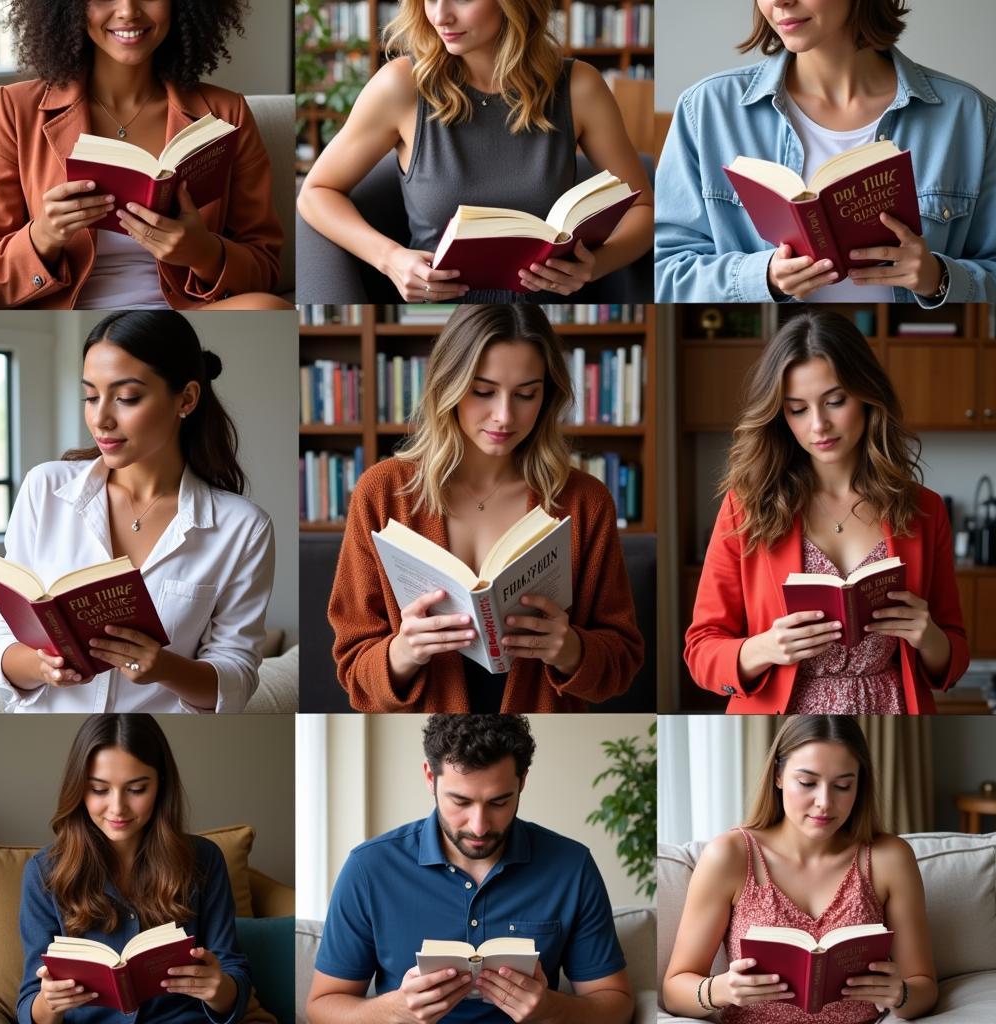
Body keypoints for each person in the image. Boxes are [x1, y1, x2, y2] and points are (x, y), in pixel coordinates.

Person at [327, 304, 644, 712]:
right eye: (483, 391)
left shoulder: (584, 501)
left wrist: (571, 650)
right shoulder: (384, 492)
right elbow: (353, 667)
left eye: (526, 394)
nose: (504, 416)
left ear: (548, 395)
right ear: (449, 387)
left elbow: (623, 659)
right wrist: (404, 652)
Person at [0, 311, 275, 713]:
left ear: (186, 399)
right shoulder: (45, 489)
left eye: (126, 398)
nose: (101, 418)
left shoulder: (241, 527)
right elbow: (3, 635)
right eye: (90, 396)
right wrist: (41, 666)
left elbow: (238, 676)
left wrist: (165, 668)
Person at [684, 310, 967, 713]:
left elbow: (954, 654)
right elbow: (701, 651)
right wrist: (763, 647)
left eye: (835, 401)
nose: (819, 425)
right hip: (781, 715)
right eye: (797, 409)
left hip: (891, 710)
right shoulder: (746, 505)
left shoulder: (924, 509)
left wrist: (930, 636)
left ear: (867, 397)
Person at [297, 0, 652, 301]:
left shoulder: (579, 87)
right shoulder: (400, 85)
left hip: (549, 308)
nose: (440, 16)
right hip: (435, 311)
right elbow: (315, 193)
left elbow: (643, 207)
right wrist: (389, 257)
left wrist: (596, 265)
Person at [655, 0, 996, 303]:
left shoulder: (971, 118)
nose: (780, 2)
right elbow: (664, 272)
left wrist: (939, 278)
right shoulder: (706, 110)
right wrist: (764, 277)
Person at [307, 714, 634, 1024]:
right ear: (429, 778)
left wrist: (550, 1009)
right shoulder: (369, 868)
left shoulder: (571, 866)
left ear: (522, 782)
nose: (479, 827)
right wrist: (397, 1011)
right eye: (460, 802)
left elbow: (617, 1004)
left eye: (499, 802)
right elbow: (321, 1008)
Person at [0, 0, 289, 310]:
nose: (128, 11)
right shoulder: (14, 111)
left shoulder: (227, 114)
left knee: (271, 308)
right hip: (68, 314)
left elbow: (265, 267)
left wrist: (204, 253)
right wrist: (42, 237)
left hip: (185, 315)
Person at [662, 715, 937, 1021]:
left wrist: (901, 993)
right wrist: (723, 989)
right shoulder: (731, 856)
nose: (824, 802)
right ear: (778, 776)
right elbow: (674, 990)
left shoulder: (889, 858)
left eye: (843, 786)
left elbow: (924, 987)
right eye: (807, 783)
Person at [18, 713, 250, 1023]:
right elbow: (29, 1006)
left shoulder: (204, 860)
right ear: (79, 789)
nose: (117, 808)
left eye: (137, 789)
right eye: (99, 790)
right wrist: (50, 1002)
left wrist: (218, 988)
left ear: (160, 785)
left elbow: (233, 973)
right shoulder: (45, 873)